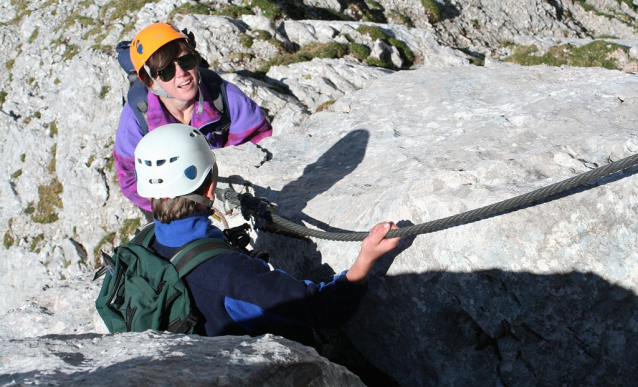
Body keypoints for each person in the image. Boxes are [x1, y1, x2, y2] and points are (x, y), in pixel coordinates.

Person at [134, 123, 401, 340]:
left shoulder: (143, 243)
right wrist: (365, 258)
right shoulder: (229, 273)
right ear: (209, 188)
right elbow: (323, 311)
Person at [114, 22, 272, 218]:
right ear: (150, 82)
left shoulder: (224, 96)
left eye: (186, 61)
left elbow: (259, 142)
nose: (181, 73)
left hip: (226, 197)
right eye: (166, 71)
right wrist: (180, 207)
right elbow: (130, 179)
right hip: (168, 208)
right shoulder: (137, 119)